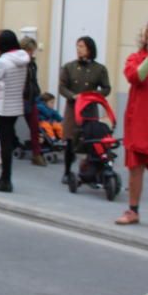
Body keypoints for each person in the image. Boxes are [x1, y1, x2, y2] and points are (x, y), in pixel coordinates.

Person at [115, 21, 148, 225]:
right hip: (139, 120)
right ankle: (133, 211)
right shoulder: (136, 58)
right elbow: (134, 77)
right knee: (136, 166)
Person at [0, 30, 29, 193]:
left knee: (4, 144)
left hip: (2, 106)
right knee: (7, 141)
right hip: (15, 105)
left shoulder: (2, 61)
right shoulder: (22, 58)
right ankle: (5, 177)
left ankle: (5, 179)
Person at [58, 36, 111, 184]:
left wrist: (94, 95)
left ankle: (90, 170)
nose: (78, 49)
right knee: (70, 140)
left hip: (89, 109)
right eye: (77, 46)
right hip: (73, 108)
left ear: (90, 49)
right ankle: (67, 171)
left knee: (91, 140)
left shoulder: (99, 69)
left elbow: (106, 88)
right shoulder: (69, 67)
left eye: (82, 46)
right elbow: (62, 87)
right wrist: (72, 96)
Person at [19, 37, 46, 167]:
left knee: (34, 126)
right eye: (29, 50)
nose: (31, 53)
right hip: (20, 98)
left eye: (32, 51)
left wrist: (37, 92)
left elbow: (33, 81)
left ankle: (37, 153)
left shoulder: (32, 64)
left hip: (30, 98)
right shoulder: (19, 63)